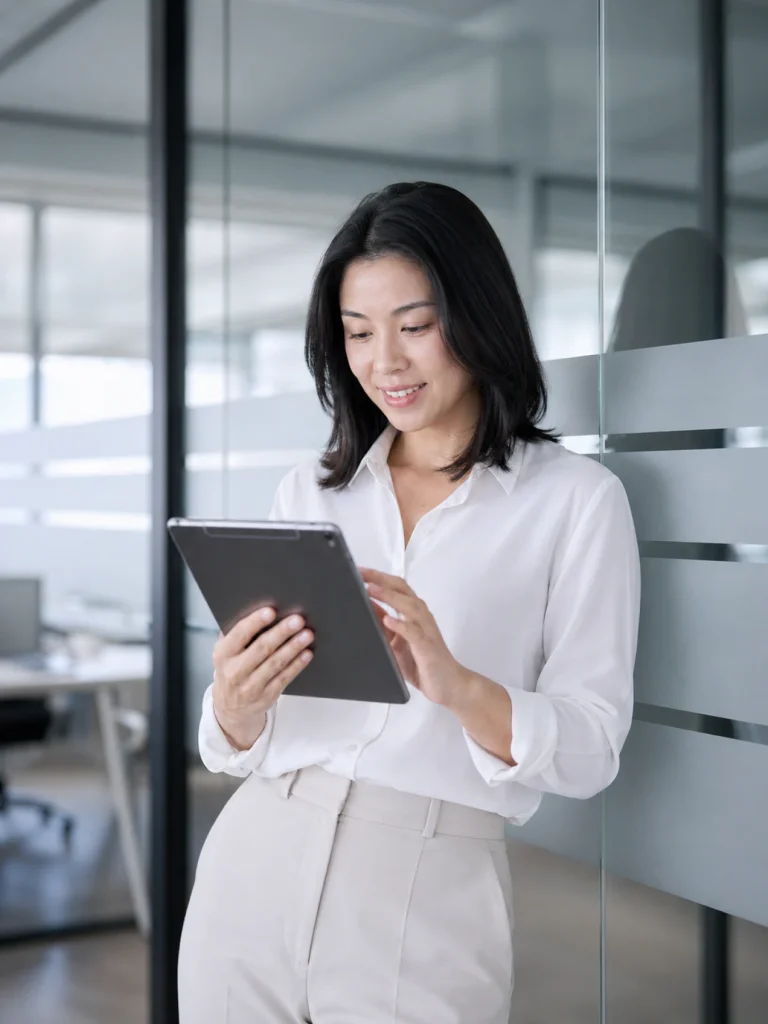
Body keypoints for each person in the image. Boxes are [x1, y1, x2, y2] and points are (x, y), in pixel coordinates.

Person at [178, 181, 641, 1024]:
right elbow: (238, 743)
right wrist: (236, 705)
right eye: (357, 334)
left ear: (477, 317)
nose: (384, 361)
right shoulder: (312, 493)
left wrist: (458, 684)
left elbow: (591, 746)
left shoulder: (577, 500)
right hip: (256, 861)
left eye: (415, 327)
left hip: (430, 884)